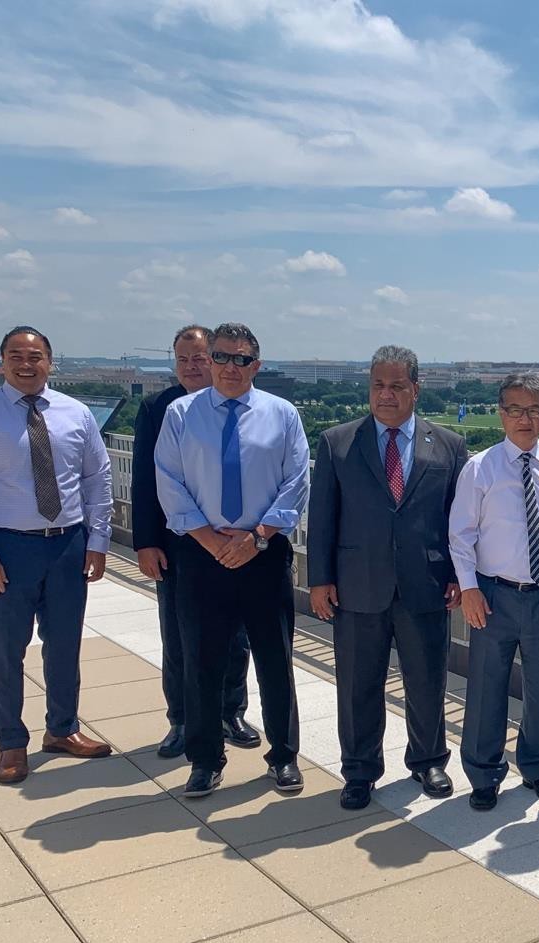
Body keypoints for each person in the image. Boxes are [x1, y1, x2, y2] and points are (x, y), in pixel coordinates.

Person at [0, 326, 113, 784]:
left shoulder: (76, 415)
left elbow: (98, 478)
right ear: (2, 361)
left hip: (67, 542)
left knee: (65, 645)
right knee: (5, 651)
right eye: (16, 354)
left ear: (50, 363)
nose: (26, 363)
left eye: (35, 355)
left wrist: (98, 541)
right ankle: (11, 743)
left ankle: (62, 729)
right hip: (8, 547)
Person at [307, 346, 469, 811]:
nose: (386, 394)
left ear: (416, 389)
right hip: (357, 585)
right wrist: (320, 580)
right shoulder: (338, 442)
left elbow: (459, 520)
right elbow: (323, 518)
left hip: (426, 585)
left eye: (397, 385)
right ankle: (359, 771)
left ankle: (429, 760)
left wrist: (460, 575)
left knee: (427, 681)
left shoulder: (449, 445)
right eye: (379, 384)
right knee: (358, 685)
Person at [154, 322, 309, 798]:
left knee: (274, 660)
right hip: (202, 557)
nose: (230, 367)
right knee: (201, 661)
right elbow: (169, 482)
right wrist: (210, 540)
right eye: (221, 357)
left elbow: (297, 479)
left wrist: (257, 537)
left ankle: (282, 756)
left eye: (241, 359)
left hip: (263, 554)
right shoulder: (182, 414)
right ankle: (204, 760)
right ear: (210, 360)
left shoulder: (281, 414)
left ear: (256, 366)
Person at [449, 371, 539, 811]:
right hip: (494, 593)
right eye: (514, 409)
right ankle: (484, 774)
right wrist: (469, 589)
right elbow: (461, 534)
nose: (524, 419)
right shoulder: (480, 466)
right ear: (501, 413)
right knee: (487, 685)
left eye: (534, 410)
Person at [132, 324, 254, 759]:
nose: (191, 367)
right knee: (180, 637)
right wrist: (146, 542)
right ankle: (182, 719)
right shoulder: (158, 407)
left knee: (235, 634)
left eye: (200, 358)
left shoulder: (238, 405)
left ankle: (230, 710)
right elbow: (146, 481)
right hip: (179, 545)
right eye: (182, 359)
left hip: (234, 544)